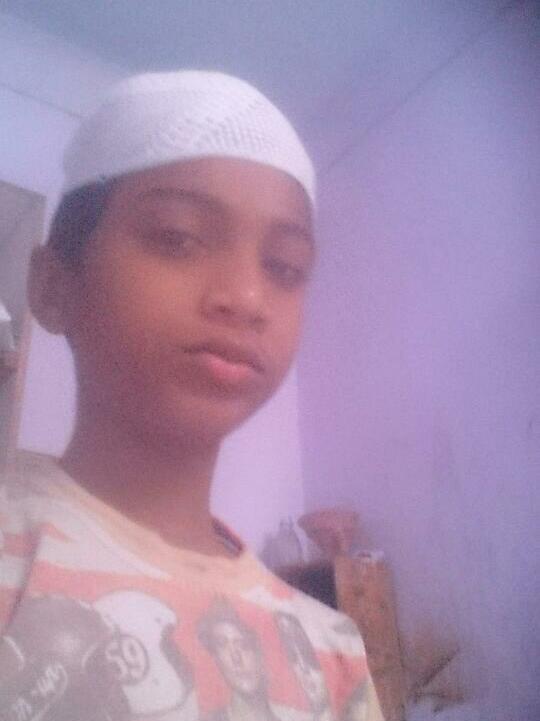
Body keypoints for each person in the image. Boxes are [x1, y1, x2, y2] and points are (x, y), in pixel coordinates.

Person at [0, 70, 383, 720]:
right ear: (54, 284)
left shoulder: (332, 650)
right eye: (177, 238)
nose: (248, 297)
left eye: (284, 267)